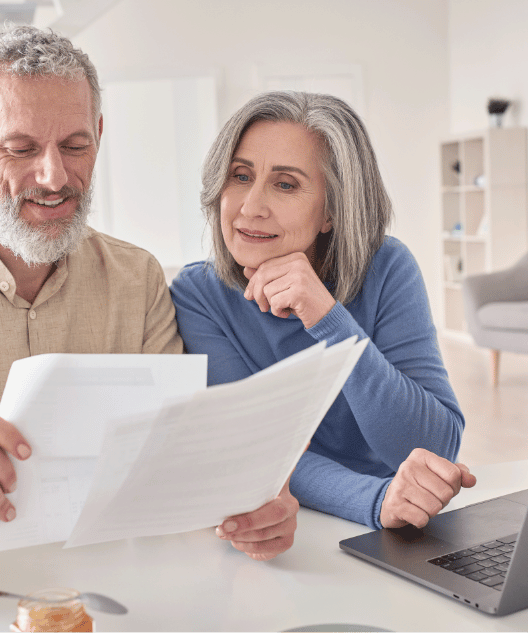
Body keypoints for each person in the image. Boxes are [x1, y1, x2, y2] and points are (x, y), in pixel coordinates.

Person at [0, 26, 292, 587]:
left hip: (124, 594)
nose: (55, 177)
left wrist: (251, 500)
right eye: (20, 148)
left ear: (100, 136)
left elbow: (178, 458)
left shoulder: (138, 280)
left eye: (75, 145)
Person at [169, 91, 477, 536]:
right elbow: (254, 448)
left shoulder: (388, 268)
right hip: (281, 523)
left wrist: (329, 320)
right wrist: (374, 500)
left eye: (286, 184)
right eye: (240, 176)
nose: (250, 206)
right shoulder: (198, 294)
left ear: (331, 210)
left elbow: (434, 445)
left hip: (395, 524)